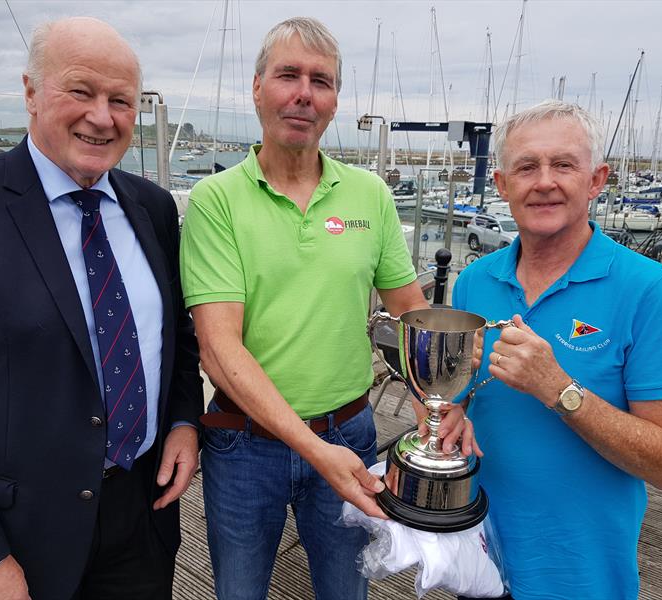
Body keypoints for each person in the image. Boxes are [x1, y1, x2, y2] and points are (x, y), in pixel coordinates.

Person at [179, 17, 454, 600]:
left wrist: (446, 401)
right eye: (288, 75)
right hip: (244, 445)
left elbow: (411, 312)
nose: (304, 93)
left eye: (321, 81)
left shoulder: (369, 194)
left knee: (346, 591)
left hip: (349, 431)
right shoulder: (215, 200)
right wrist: (314, 451)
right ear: (258, 89)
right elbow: (219, 349)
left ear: (334, 101)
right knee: (239, 591)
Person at [0, 17, 202, 600]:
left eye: (121, 100)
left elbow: (174, 333)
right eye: (80, 91)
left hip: (142, 512)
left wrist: (183, 419)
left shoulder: (152, 208)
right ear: (31, 92)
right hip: (17, 535)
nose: (102, 116)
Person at [450, 100, 662, 600]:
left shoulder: (649, 289)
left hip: (581, 576)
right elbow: (467, 402)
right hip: (477, 560)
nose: (544, 182)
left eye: (563, 164)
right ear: (500, 185)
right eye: (526, 166)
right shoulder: (474, 281)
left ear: (596, 180)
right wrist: (453, 406)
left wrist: (558, 389)